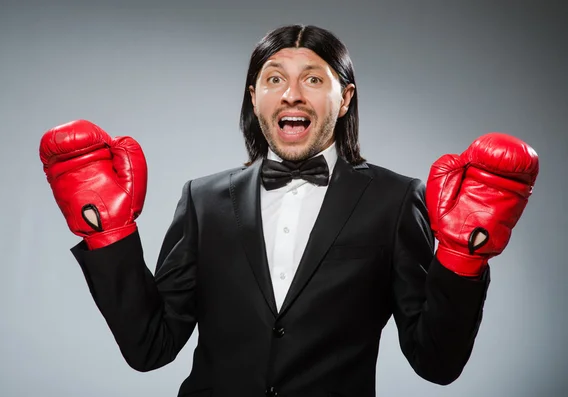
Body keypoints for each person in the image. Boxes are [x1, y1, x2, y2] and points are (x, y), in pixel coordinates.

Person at [39, 25, 539, 397]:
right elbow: (150, 348)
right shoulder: (203, 200)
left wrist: (462, 259)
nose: (292, 93)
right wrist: (108, 235)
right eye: (273, 78)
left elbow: (436, 362)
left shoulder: (395, 200)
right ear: (255, 98)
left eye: (313, 79)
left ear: (344, 99)